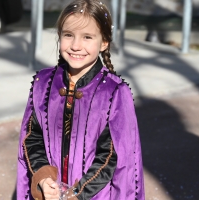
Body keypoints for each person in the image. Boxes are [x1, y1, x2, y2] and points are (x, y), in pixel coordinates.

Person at [17, 0, 144, 199]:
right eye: (68, 35)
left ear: (104, 42)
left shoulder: (114, 92)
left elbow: (113, 156)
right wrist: (43, 177)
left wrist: (77, 193)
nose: (76, 46)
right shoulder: (43, 84)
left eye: (87, 37)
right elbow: (32, 138)